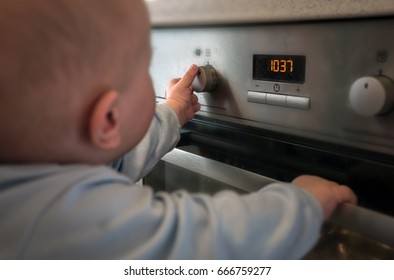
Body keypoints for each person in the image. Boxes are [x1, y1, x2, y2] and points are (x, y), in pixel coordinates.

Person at [0, 0, 357, 259]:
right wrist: (302, 204)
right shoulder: (64, 222)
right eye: (143, 66)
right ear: (109, 118)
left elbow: (119, 158)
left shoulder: (27, 182)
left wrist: (171, 111)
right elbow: (207, 239)